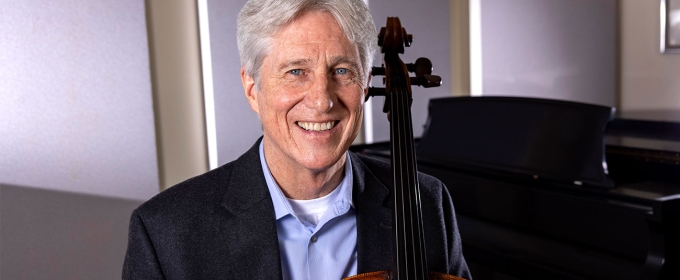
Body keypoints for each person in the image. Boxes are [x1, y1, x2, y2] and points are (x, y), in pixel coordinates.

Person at [122, 0, 471, 279]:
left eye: (342, 71)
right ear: (252, 88)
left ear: (365, 84)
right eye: (295, 72)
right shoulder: (165, 231)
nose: (322, 100)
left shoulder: (427, 202)